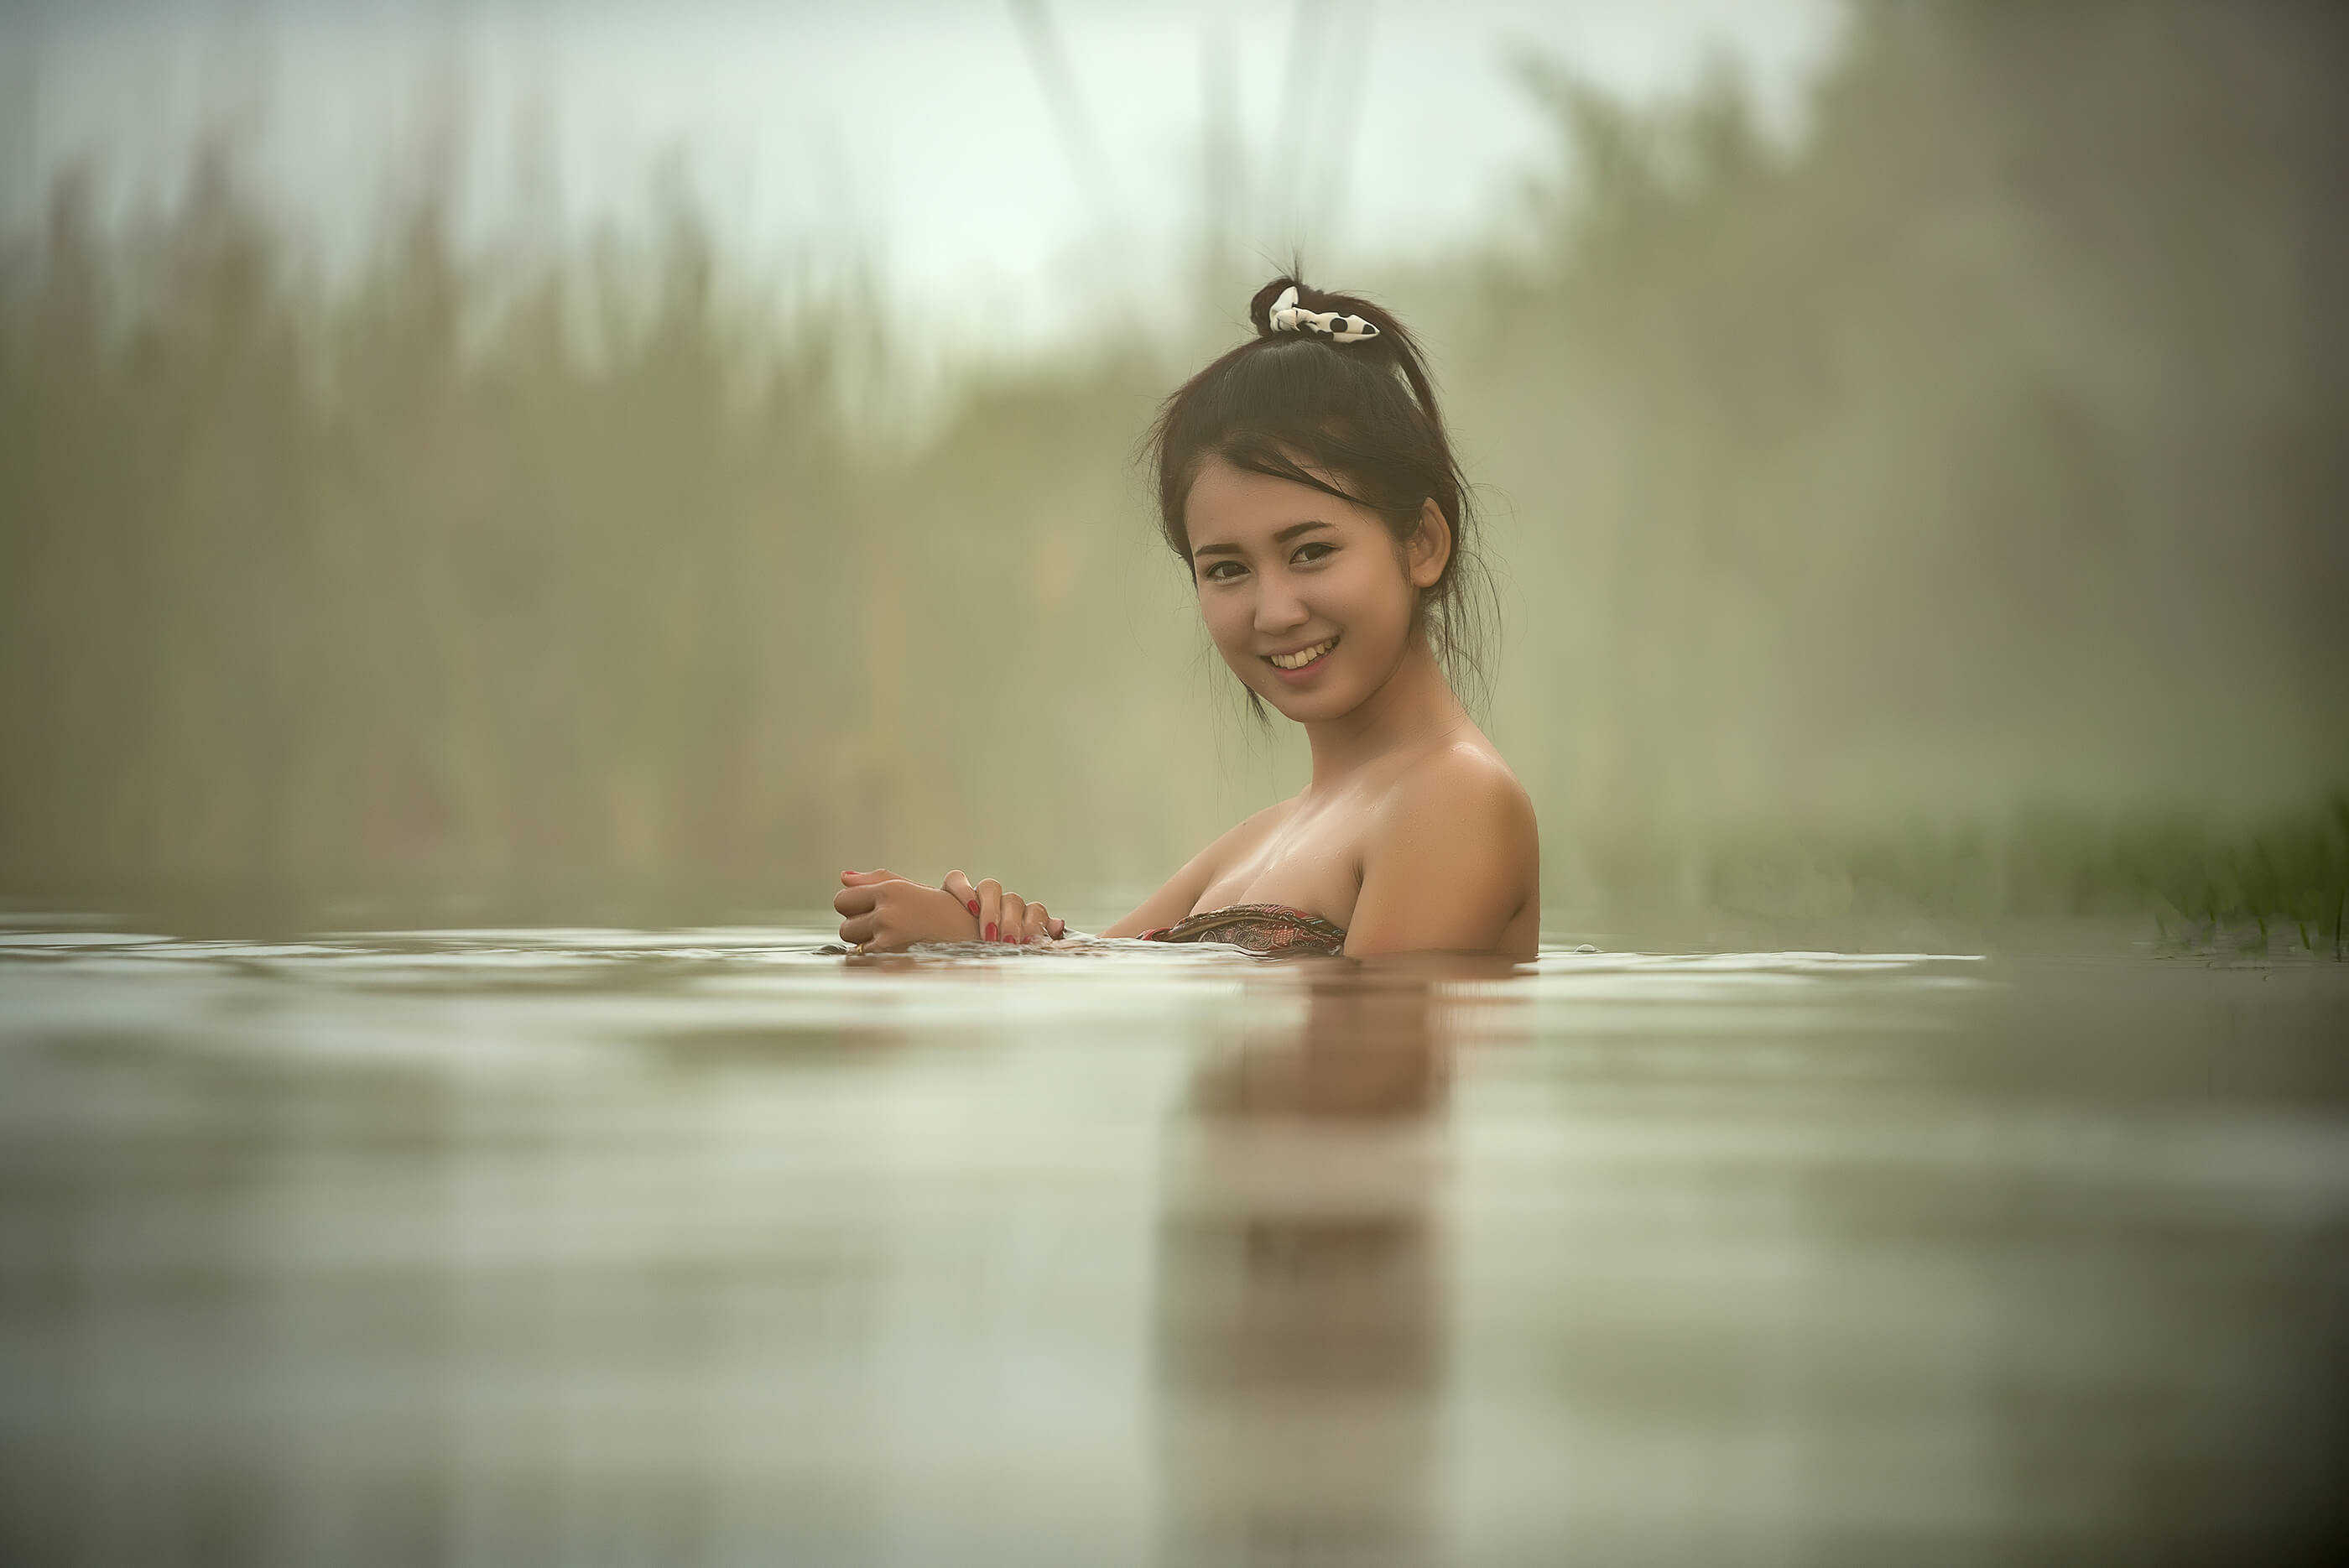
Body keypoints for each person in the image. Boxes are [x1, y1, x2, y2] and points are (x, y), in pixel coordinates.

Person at [833, 274, 1539, 961]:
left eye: (1311, 551)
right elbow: (1094, 979)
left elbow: (1367, 1039)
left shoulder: (1455, 800)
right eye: (1228, 569)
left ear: (1422, 544)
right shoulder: (1256, 843)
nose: (1275, 611)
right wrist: (976, 938)